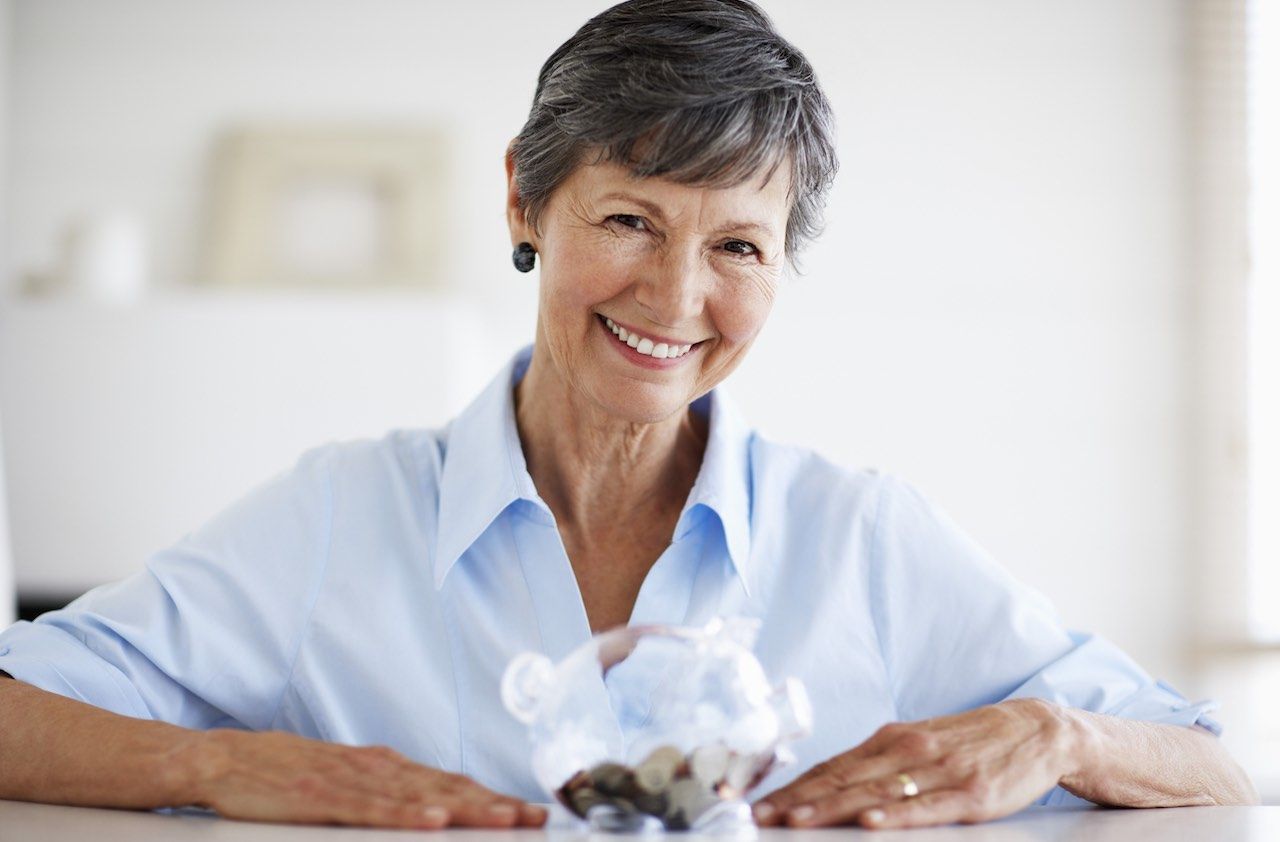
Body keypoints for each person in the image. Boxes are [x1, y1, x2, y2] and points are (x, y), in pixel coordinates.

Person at [0, 0, 1257, 831]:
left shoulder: (860, 535)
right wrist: (218, 763)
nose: (674, 296)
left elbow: (1207, 758)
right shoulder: (337, 517)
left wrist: (1049, 730)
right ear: (523, 203)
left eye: (739, 246)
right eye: (628, 220)